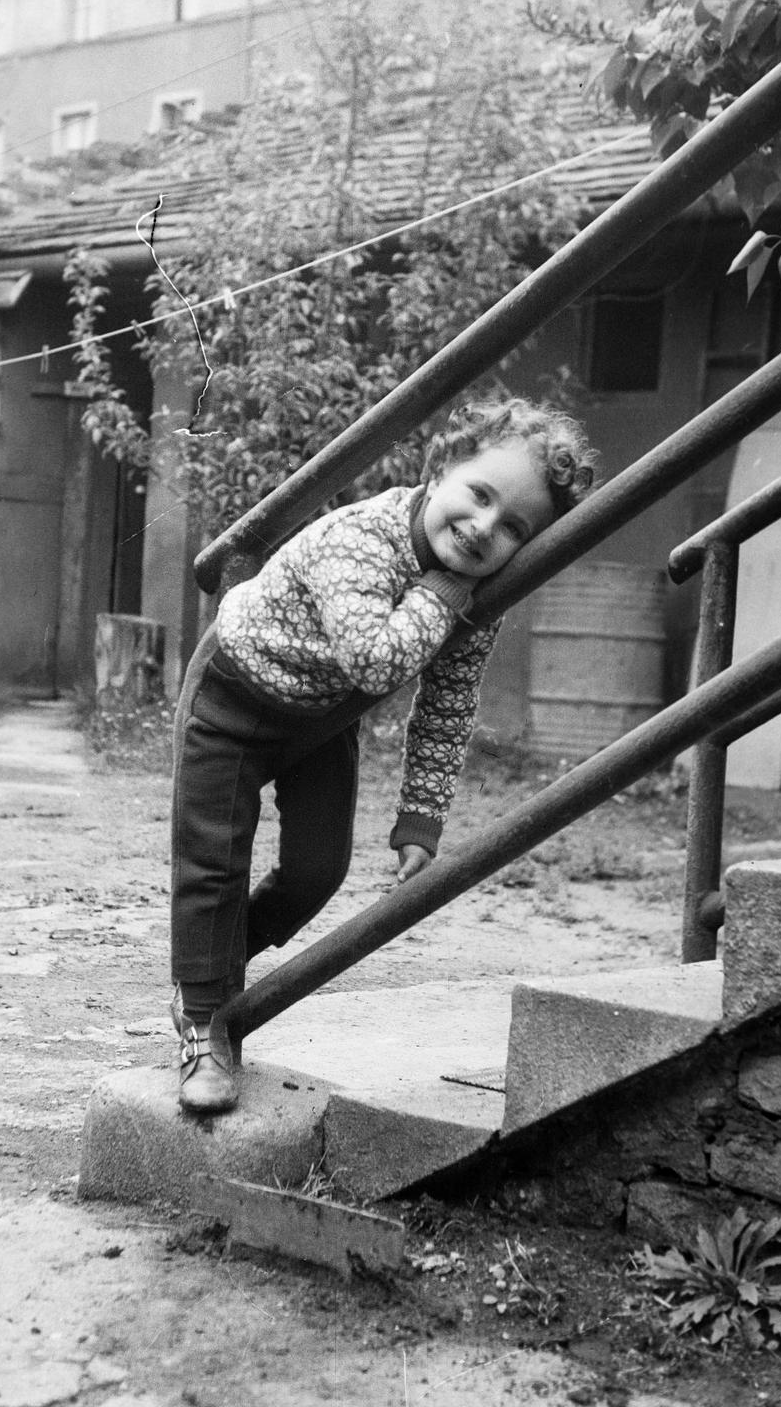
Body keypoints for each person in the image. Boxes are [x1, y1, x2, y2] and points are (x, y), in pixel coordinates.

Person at [169, 395, 597, 1114]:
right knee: (212, 863)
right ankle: (204, 1024)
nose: (483, 527)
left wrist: (420, 819)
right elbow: (374, 662)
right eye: (480, 495)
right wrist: (444, 592)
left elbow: (447, 703)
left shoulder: (472, 595)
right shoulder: (364, 540)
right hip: (233, 697)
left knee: (318, 870)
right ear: (439, 469)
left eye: (514, 526)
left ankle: (211, 964)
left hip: (318, 716)